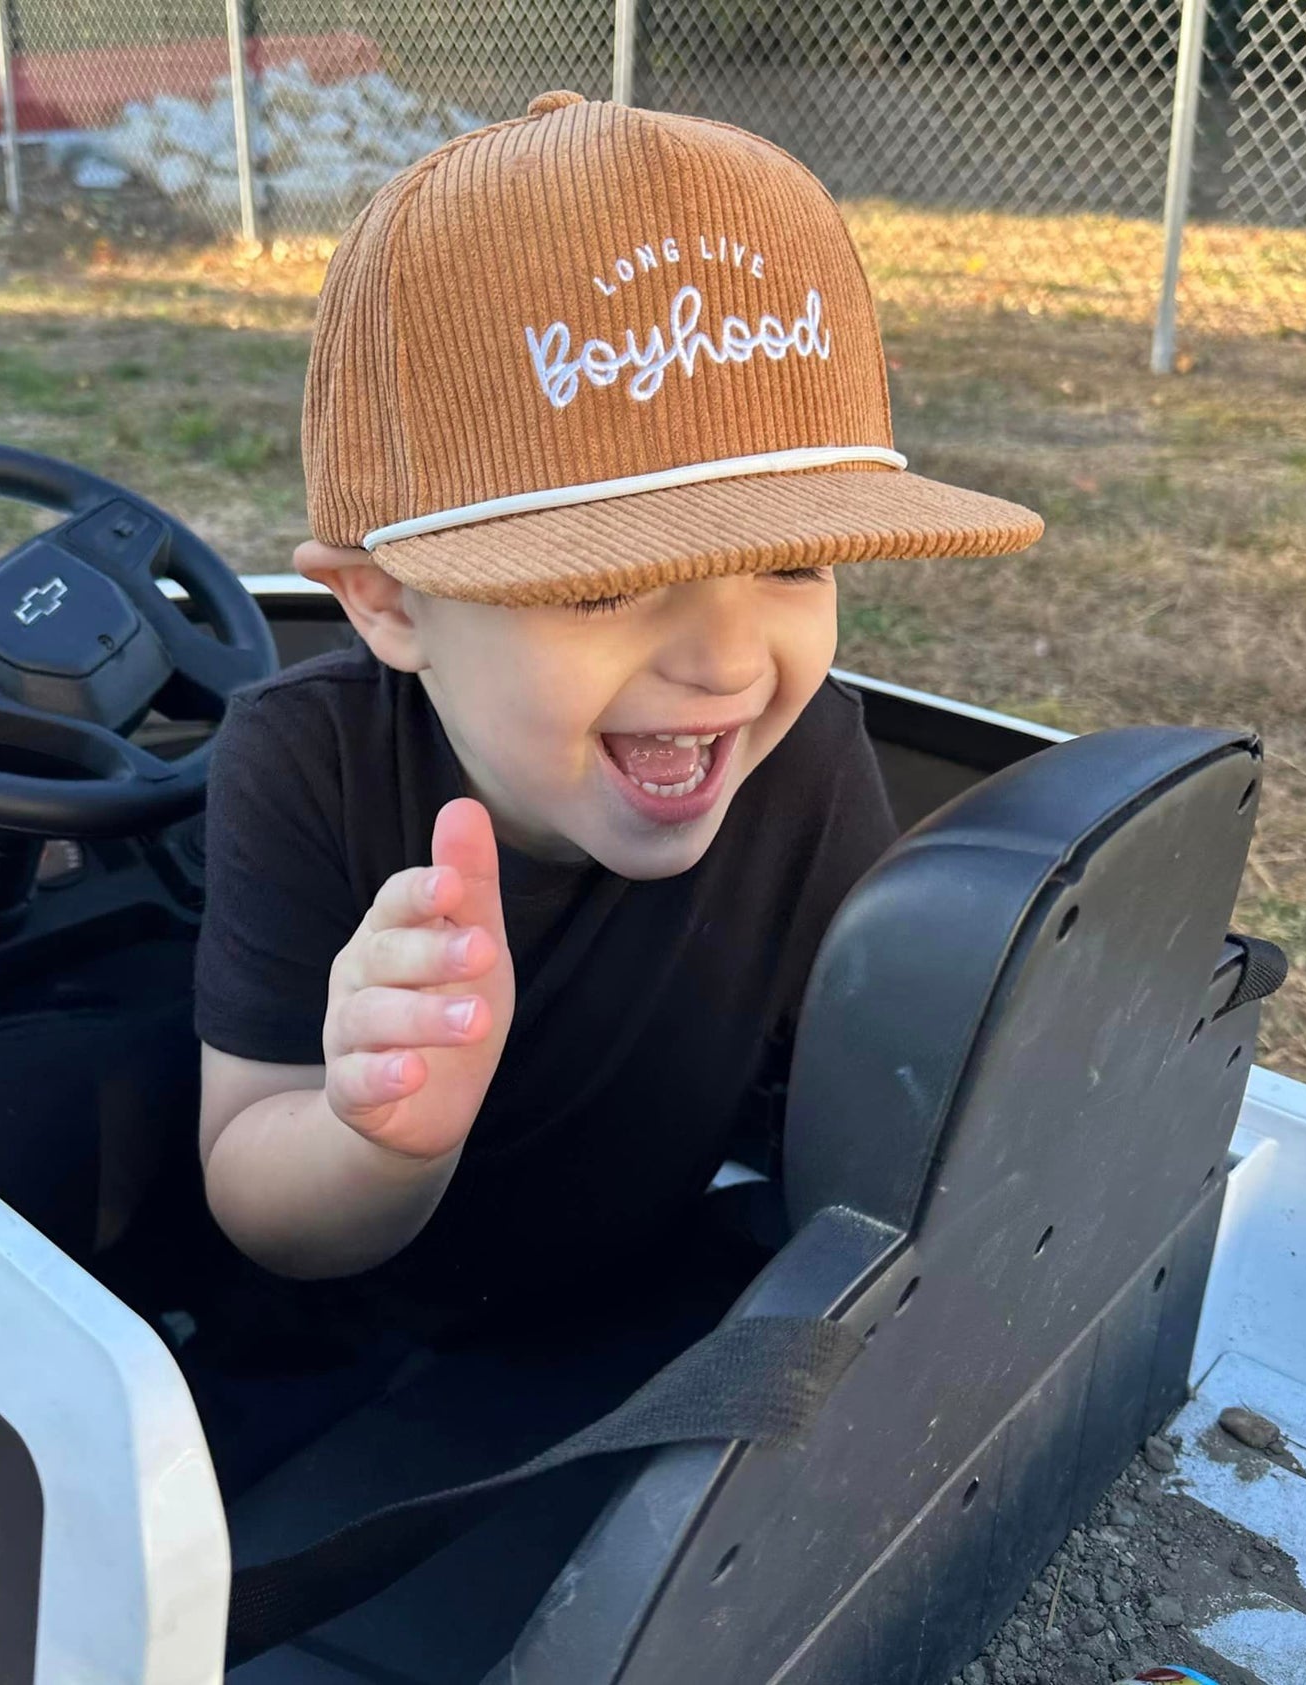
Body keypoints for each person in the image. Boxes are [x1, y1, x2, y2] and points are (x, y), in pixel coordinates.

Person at [192, 90, 1043, 1373]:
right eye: (597, 584)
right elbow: (250, 1179)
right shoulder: (303, 763)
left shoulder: (804, 760)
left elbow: (857, 1102)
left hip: (643, 1343)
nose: (726, 662)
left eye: (794, 565)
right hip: (341, 1369)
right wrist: (374, 1140)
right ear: (385, 603)